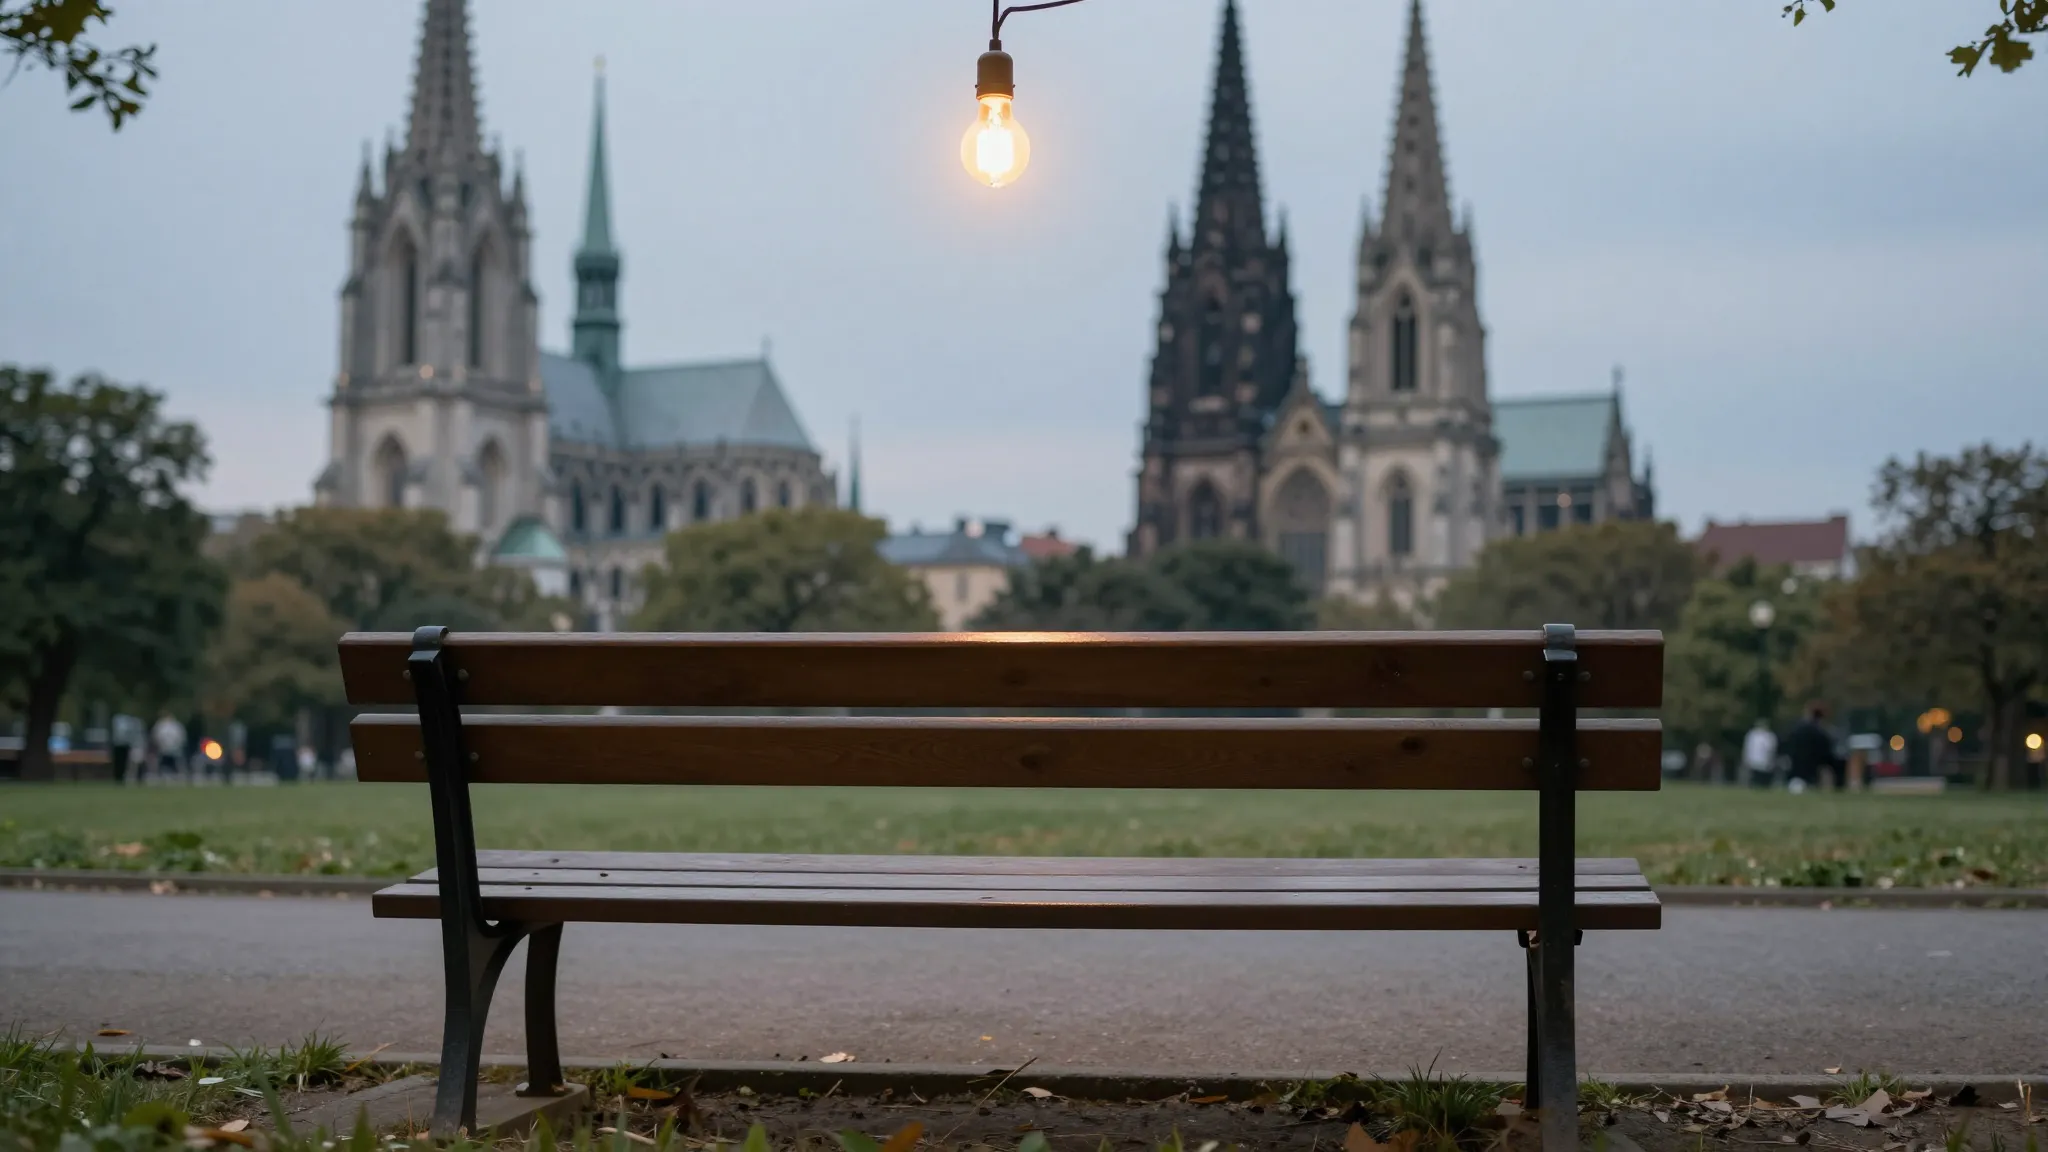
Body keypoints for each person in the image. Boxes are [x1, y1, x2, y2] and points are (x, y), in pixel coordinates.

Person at [1783, 701, 1844, 790]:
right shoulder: (1821, 733)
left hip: (1797, 771)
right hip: (1811, 772)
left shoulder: (1796, 729)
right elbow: (1826, 753)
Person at [1740, 719, 1777, 788]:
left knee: (1763, 778)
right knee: (1755, 777)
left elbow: (1771, 749)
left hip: (1764, 761)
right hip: (1754, 761)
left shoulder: (1769, 736)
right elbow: (1748, 748)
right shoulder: (1752, 735)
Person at [150, 711, 186, 782]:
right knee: (161, 762)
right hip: (163, 749)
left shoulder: (176, 726)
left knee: (177, 762)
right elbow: (156, 736)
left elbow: (181, 737)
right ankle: (158, 775)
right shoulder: (160, 725)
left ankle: (180, 775)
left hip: (174, 749)